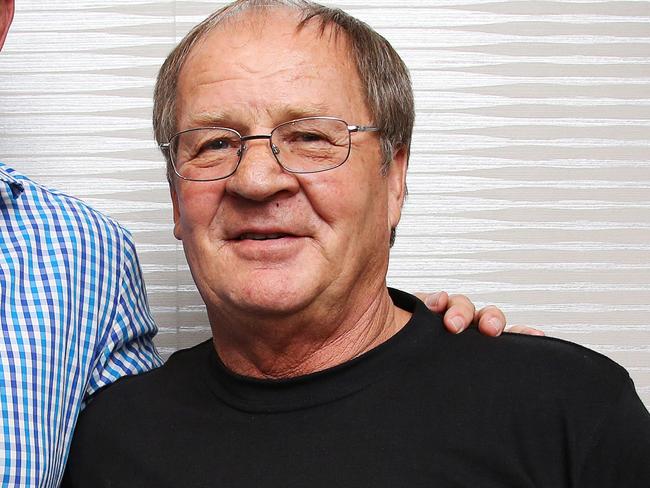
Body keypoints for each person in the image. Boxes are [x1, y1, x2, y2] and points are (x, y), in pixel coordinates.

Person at [62, 1, 650, 486]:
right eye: (214, 144)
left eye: (311, 137)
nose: (257, 180)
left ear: (393, 178)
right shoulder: (112, 437)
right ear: (174, 197)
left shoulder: (566, 412)